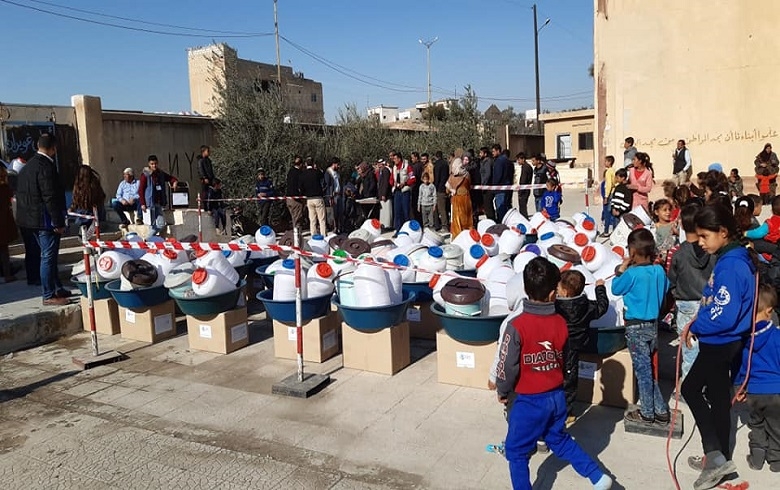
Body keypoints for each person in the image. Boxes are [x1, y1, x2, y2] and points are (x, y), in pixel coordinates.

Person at [496, 256, 613, 490]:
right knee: (559, 439)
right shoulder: (560, 323)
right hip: (557, 397)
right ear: (552, 294)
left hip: (529, 401)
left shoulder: (516, 326)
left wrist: (502, 389)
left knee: (516, 452)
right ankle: (597, 477)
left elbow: (507, 366)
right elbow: (563, 358)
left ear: (525, 289)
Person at [681, 204, 756, 489]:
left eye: (704, 236)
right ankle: (718, 456)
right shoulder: (731, 257)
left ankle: (716, 457)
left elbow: (724, 313)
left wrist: (697, 325)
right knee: (718, 398)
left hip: (721, 341)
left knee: (690, 389)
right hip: (722, 340)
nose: (700, 242)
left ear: (722, 232)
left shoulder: (732, 265)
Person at [611, 228, 671, 425]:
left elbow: (615, 288)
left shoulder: (632, 274)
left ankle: (647, 412)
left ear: (632, 251)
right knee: (648, 371)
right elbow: (665, 291)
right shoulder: (658, 271)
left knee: (642, 372)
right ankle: (660, 409)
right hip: (653, 325)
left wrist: (621, 269)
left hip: (635, 327)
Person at [15, 133, 69, 305]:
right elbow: (50, 196)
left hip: (29, 221)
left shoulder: (27, 167)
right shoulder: (45, 167)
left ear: (38, 145)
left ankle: (57, 287)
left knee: (48, 256)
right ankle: (48, 294)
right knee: (47, 256)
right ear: (54, 148)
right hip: (44, 221)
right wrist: (58, 222)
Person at [733, 284, 780, 472]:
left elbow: (738, 367)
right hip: (776, 391)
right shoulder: (777, 336)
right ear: (769, 311)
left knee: (757, 424)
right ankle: (776, 460)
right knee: (776, 426)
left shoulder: (743, 339)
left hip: (753, 391)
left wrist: (738, 388)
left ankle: (757, 456)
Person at [555, 270, 609, 424]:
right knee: (570, 380)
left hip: (557, 346)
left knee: (559, 379)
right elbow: (602, 307)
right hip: (576, 347)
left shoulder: (555, 305)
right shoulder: (587, 306)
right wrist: (600, 288)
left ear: (564, 292)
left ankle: (562, 413)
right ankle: (567, 411)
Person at [668, 203, 714, 380]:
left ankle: (689, 386)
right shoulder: (711, 251)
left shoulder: (678, 253)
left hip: (686, 302)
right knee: (707, 347)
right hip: (707, 302)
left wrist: (675, 294)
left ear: (681, 224)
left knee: (689, 348)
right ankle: (706, 385)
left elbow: (672, 279)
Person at [138, 155, 178, 237]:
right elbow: (141, 190)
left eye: (155, 163)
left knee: (161, 224)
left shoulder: (160, 174)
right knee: (151, 224)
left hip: (159, 203)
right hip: (149, 203)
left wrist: (175, 182)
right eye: (152, 164)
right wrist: (142, 203)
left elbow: (171, 178)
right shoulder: (145, 175)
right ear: (149, 164)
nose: (154, 166)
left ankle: (147, 239)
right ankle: (150, 242)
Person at [69, 165, 106, 236]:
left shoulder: (92, 185)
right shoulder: (81, 185)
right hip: (89, 212)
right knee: (88, 234)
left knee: (87, 234)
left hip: (89, 212)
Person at [446, 153, 472, 237]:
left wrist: (452, 190)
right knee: (466, 218)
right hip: (465, 198)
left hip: (456, 199)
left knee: (457, 219)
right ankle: (467, 235)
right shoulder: (466, 174)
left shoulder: (452, 176)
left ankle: (457, 235)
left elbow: (447, 188)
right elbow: (469, 185)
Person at [0, 166, 18, 283]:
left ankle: (6, 273)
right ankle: (7, 274)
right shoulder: (4, 188)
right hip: (3, 222)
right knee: (4, 251)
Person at [300, 159, 327, 236]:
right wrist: (317, 168)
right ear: (313, 164)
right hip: (318, 198)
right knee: (321, 219)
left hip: (309, 199)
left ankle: (313, 235)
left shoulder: (303, 174)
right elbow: (322, 176)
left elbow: (301, 187)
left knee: (312, 220)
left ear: (305, 164)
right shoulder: (316, 172)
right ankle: (323, 235)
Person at [651, 198, 677, 266]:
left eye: (669, 210)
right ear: (656, 212)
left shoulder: (674, 225)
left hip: (673, 257)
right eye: (664, 210)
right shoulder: (654, 227)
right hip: (660, 259)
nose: (668, 212)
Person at [491, 144, 513, 222]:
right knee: (507, 207)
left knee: (501, 208)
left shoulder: (499, 161)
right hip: (507, 188)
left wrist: (494, 187)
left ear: (498, 151)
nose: (492, 153)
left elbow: (497, 175)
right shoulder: (508, 161)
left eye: (493, 151)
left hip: (500, 189)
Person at [285, 156, 305, 231]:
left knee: (293, 218)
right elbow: (300, 186)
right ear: (301, 164)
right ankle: (297, 236)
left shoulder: (290, 172)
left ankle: (295, 232)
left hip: (288, 198)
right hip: (296, 199)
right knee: (298, 219)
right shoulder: (299, 173)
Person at [325, 157, 343, 233]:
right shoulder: (328, 173)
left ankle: (338, 228)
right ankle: (333, 229)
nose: (339, 166)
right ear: (334, 164)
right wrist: (329, 196)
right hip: (332, 196)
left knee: (339, 213)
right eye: (338, 164)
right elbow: (327, 185)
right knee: (332, 214)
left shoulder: (337, 173)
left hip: (339, 194)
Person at [433, 151, 449, 232]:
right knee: (444, 208)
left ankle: (444, 226)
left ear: (436, 156)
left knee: (441, 208)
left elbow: (437, 177)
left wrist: (434, 187)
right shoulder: (446, 164)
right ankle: (445, 224)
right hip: (445, 187)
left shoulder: (437, 165)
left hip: (439, 189)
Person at [601, 155, 617, 237]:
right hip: (614, 193)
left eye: (606, 161)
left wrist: (606, 197)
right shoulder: (613, 171)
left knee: (607, 213)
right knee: (613, 214)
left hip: (610, 194)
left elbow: (609, 184)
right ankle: (614, 230)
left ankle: (606, 231)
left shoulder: (608, 172)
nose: (605, 163)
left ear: (609, 162)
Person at [515, 152, 533, 219]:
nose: (518, 161)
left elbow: (524, 180)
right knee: (523, 205)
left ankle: (524, 218)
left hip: (524, 190)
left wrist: (520, 190)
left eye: (519, 160)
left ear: (523, 159)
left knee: (522, 206)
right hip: (526, 189)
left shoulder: (525, 167)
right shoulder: (527, 167)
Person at [377, 159, 393, 230]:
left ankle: (387, 225)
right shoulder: (381, 171)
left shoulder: (385, 171)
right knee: (383, 210)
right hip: (381, 194)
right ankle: (383, 224)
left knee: (386, 210)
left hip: (385, 195)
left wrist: (384, 194)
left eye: (380, 164)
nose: (379, 165)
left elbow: (386, 183)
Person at [479, 147, 494, 220]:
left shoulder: (487, 162)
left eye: (481, 153)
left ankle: (491, 219)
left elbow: (487, 174)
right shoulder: (483, 162)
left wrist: (483, 184)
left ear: (485, 154)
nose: (480, 154)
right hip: (485, 187)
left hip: (487, 187)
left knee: (488, 205)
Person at [409, 151, 423, 222]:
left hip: (416, 188)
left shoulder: (416, 166)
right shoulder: (421, 165)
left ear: (416, 157)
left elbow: (413, 177)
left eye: (412, 158)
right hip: (418, 187)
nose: (411, 159)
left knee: (415, 206)